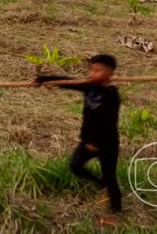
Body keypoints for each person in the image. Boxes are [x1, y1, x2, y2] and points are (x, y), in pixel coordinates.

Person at [35, 54, 122, 226]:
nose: (92, 74)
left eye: (98, 71)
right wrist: (44, 79)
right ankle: (101, 184)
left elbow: (109, 122)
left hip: (107, 143)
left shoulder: (112, 95)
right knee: (75, 166)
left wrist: (96, 143)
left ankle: (116, 211)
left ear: (110, 73)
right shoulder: (89, 87)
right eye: (92, 70)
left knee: (111, 177)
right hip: (87, 140)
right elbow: (68, 82)